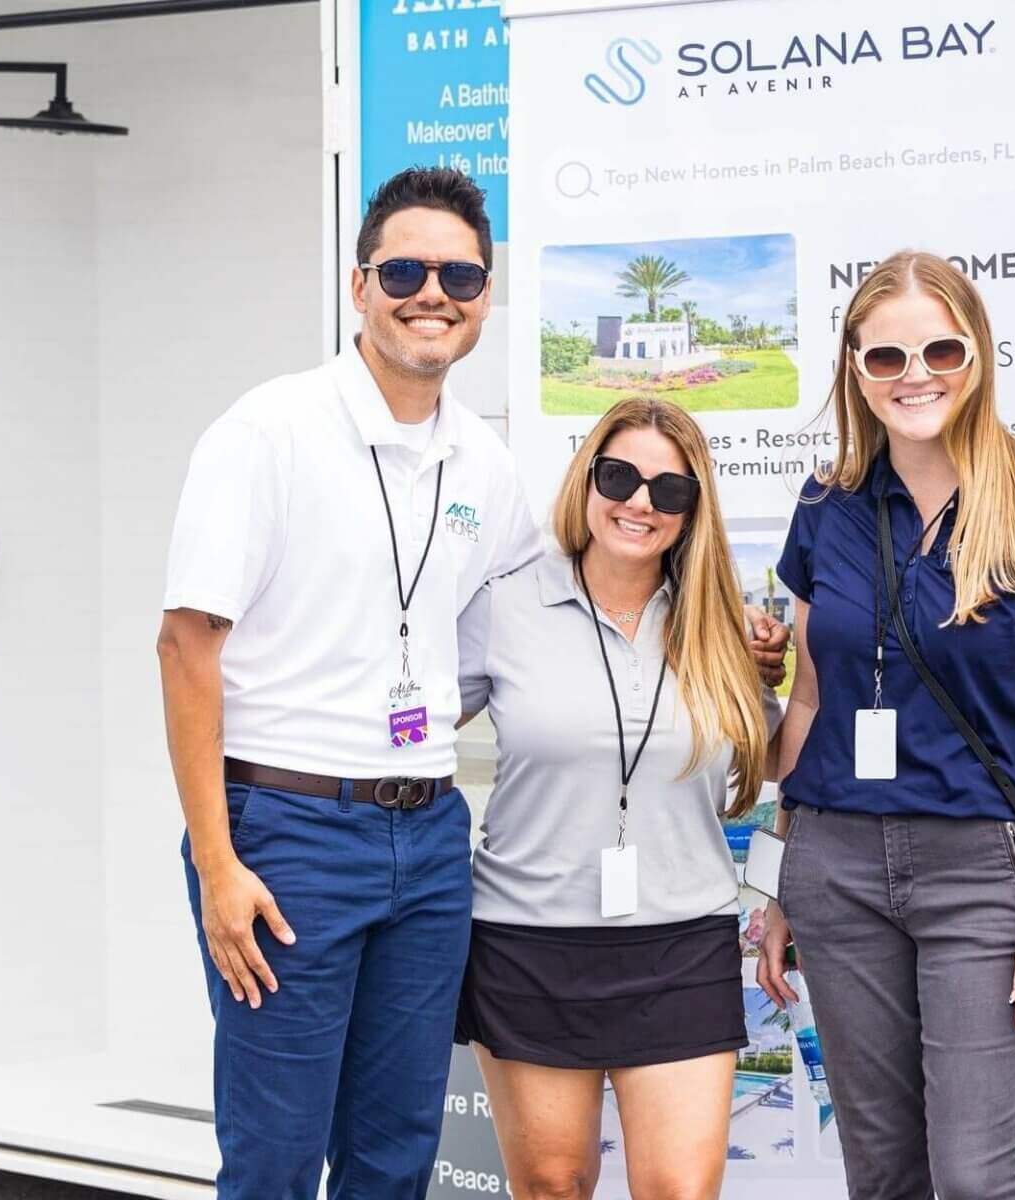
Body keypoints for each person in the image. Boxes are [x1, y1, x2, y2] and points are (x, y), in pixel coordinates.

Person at [158, 167, 789, 1199]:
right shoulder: (267, 433)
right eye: (403, 269)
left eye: (458, 274)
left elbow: (554, 625)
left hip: (431, 840)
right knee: (275, 1156)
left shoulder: (482, 464)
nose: (431, 292)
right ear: (360, 285)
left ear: (486, 296)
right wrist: (220, 863)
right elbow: (185, 646)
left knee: (397, 1151)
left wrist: (730, 635)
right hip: (289, 828)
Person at [756, 250, 1015, 1200]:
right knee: (881, 1174)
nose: (913, 376)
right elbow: (808, 703)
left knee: (970, 1178)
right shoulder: (823, 506)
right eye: (885, 358)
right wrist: (777, 880)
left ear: (979, 355)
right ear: (853, 368)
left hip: (982, 874)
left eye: (939, 350)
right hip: (834, 867)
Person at [454, 397, 784, 1200]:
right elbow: (405, 727)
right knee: (554, 1184)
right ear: (586, 479)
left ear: (690, 511)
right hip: (527, 940)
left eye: (668, 491)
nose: (639, 503)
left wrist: (777, 672)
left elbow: (776, 763)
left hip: (681, 942)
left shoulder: (720, 627)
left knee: (677, 1190)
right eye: (619, 477)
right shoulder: (503, 604)